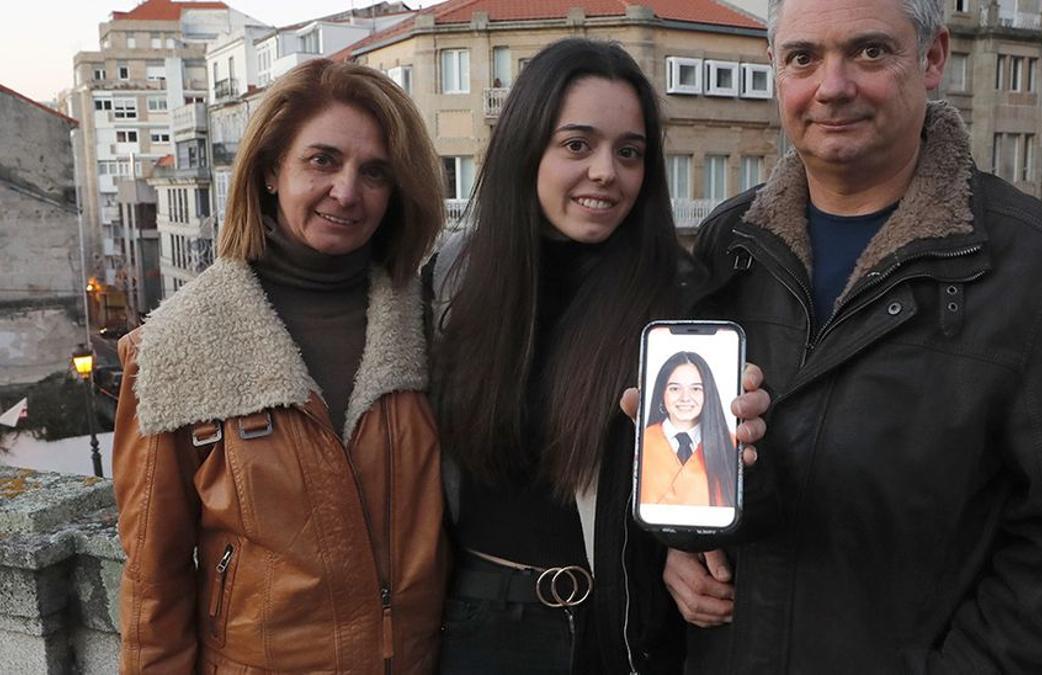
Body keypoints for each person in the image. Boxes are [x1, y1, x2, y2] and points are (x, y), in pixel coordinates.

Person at [662, 0, 1042, 672]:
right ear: (774, 70)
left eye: (868, 52)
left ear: (932, 59)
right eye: (803, 58)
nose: (832, 87)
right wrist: (683, 540)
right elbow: (724, 468)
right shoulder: (732, 241)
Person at [427, 39, 767, 674]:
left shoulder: (681, 302)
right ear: (528, 148)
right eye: (577, 145)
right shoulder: (451, 284)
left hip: (615, 632)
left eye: (629, 152)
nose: (607, 172)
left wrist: (695, 538)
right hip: (471, 627)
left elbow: (696, 490)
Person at [111, 59, 448, 673]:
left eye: (374, 172)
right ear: (270, 170)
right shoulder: (178, 343)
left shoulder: (430, 323)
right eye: (322, 161)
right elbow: (153, 583)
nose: (347, 192)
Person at [640, 351, 737, 507]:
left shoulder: (731, 444)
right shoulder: (641, 442)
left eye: (696, 389)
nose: (685, 398)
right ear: (662, 393)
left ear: (708, 394)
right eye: (675, 389)